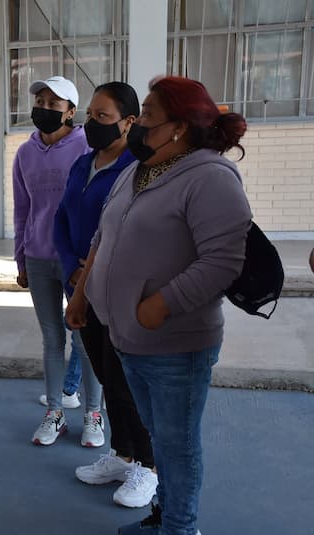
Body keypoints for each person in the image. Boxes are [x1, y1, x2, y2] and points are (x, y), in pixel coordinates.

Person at [66, 76, 252, 535]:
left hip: (174, 343)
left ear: (179, 127)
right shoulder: (137, 169)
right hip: (128, 335)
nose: (138, 125)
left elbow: (224, 261)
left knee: (176, 444)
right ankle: (164, 517)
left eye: (147, 115)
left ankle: (180, 528)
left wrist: (162, 304)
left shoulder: (211, 177)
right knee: (159, 437)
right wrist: (83, 291)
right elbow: (102, 235)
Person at [54, 81, 158, 509]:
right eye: (89, 114)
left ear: (129, 122)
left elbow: (122, 235)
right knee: (104, 372)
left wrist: (88, 274)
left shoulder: (139, 169)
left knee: (128, 380)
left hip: (116, 292)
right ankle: (122, 454)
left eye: (103, 116)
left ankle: (147, 467)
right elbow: (62, 220)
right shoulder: (83, 164)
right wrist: (70, 269)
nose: (91, 123)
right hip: (81, 289)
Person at [13, 75, 104, 447]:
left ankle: (93, 415)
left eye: (54, 105)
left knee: (85, 339)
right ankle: (54, 413)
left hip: (77, 262)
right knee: (52, 338)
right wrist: (19, 257)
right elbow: (23, 210)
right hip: (37, 258)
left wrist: (93, 260)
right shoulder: (25, 153)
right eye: (41, 103)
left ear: (71, 112)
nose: (45, 110)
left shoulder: (87, 149)